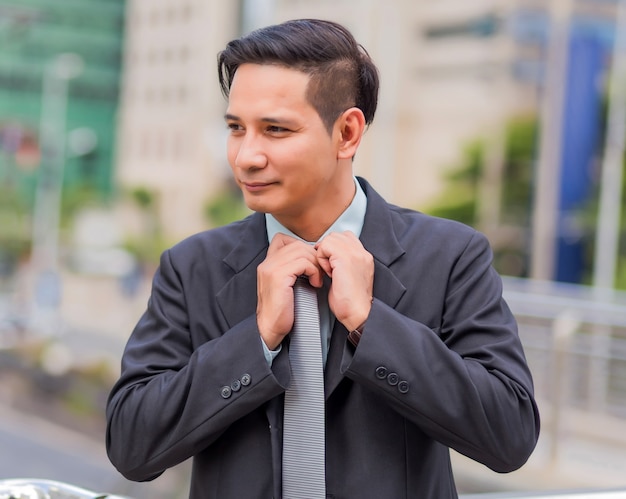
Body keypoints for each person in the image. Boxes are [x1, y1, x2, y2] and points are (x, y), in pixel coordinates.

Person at [106, 18, 540, 499]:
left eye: (275, 129)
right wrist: (257, 338)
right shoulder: (191, 267)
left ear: (347, 133)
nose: (246, 156)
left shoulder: (451, 256)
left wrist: (370, 324)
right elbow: (131, 446)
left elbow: (510, 436)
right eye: (236, 128)